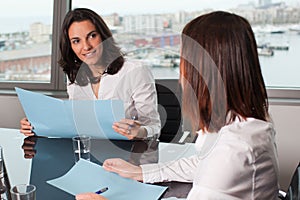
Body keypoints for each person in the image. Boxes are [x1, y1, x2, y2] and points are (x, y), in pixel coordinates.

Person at [75, 11, 279, 200]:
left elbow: (217, 165)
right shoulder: (242, 125)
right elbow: (202, 164)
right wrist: (141, 172)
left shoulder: (232, 151)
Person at [20, 8, 161, 140]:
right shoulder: (75, 80)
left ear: (103, 36)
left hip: (129, 154)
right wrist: (37, 126)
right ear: (70, 46)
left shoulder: (135, 71)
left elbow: (154, 128)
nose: (86, 46)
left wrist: (139, 132)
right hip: (89, 154)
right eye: (76, 41)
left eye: (92, 36)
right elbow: (74, 126)